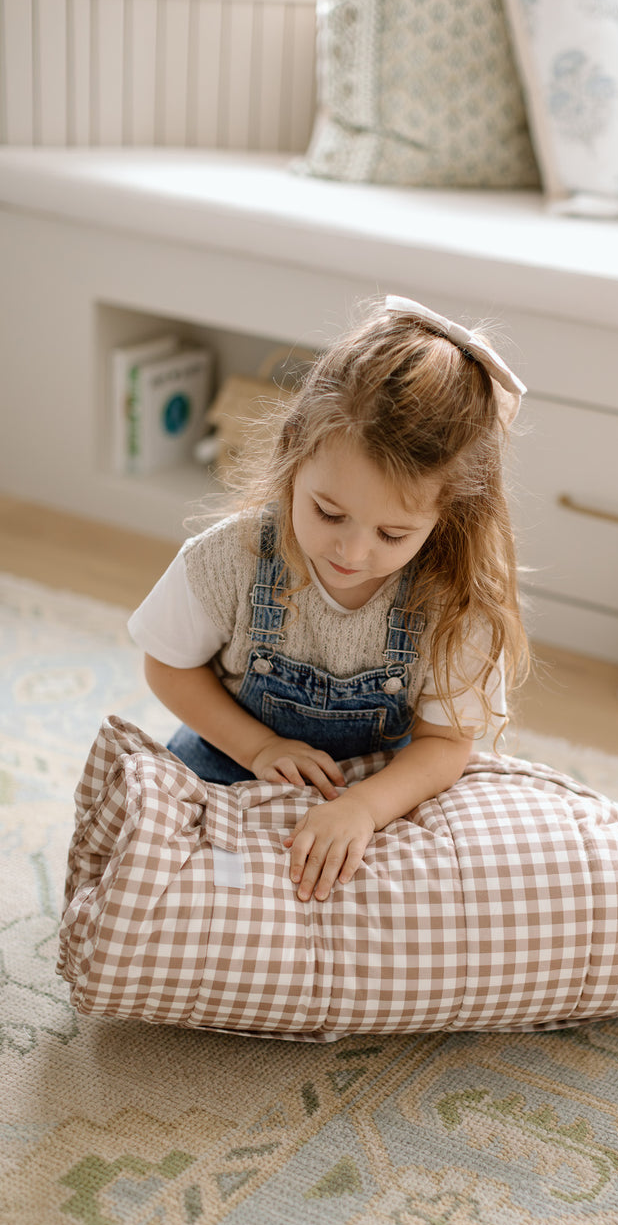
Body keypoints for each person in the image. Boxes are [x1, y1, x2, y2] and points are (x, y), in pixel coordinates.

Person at [128, 295, 529, 903]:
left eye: (393, 534)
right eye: (328, 512)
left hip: (377, 786)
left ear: (448, 516)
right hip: (228, 757)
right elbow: (167, 666)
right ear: (295, 450)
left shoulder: (454, 604)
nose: (353, 550)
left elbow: (447, 745)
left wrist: (364, 810)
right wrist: (259, 747)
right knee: (157, 878)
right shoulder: (229, 559)